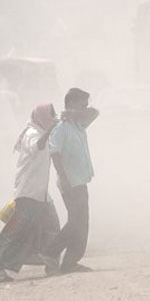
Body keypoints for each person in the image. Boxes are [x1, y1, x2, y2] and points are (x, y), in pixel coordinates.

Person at [0, 103, 61, 282]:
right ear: (42, 117)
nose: (52, 119)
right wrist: (51, 128)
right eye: (50, 116)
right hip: (28, 192)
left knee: (50, 226)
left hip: (41, 193)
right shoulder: (32, 133)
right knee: (17, 231)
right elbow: (37, 146)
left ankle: (50, 262)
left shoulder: (43, 132)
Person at [45, 88, 99, 274]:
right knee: (77, 222)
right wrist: (64, 177)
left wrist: (76, 113)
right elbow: (55, 154)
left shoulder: (78, 124)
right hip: (70, 182)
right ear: (72, 104)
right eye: (82, 104)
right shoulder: (62, 128)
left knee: (80, 223)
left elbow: (96, 112)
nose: (86, 108)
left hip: (80, 180)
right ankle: (51, 252)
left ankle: (69, 262)